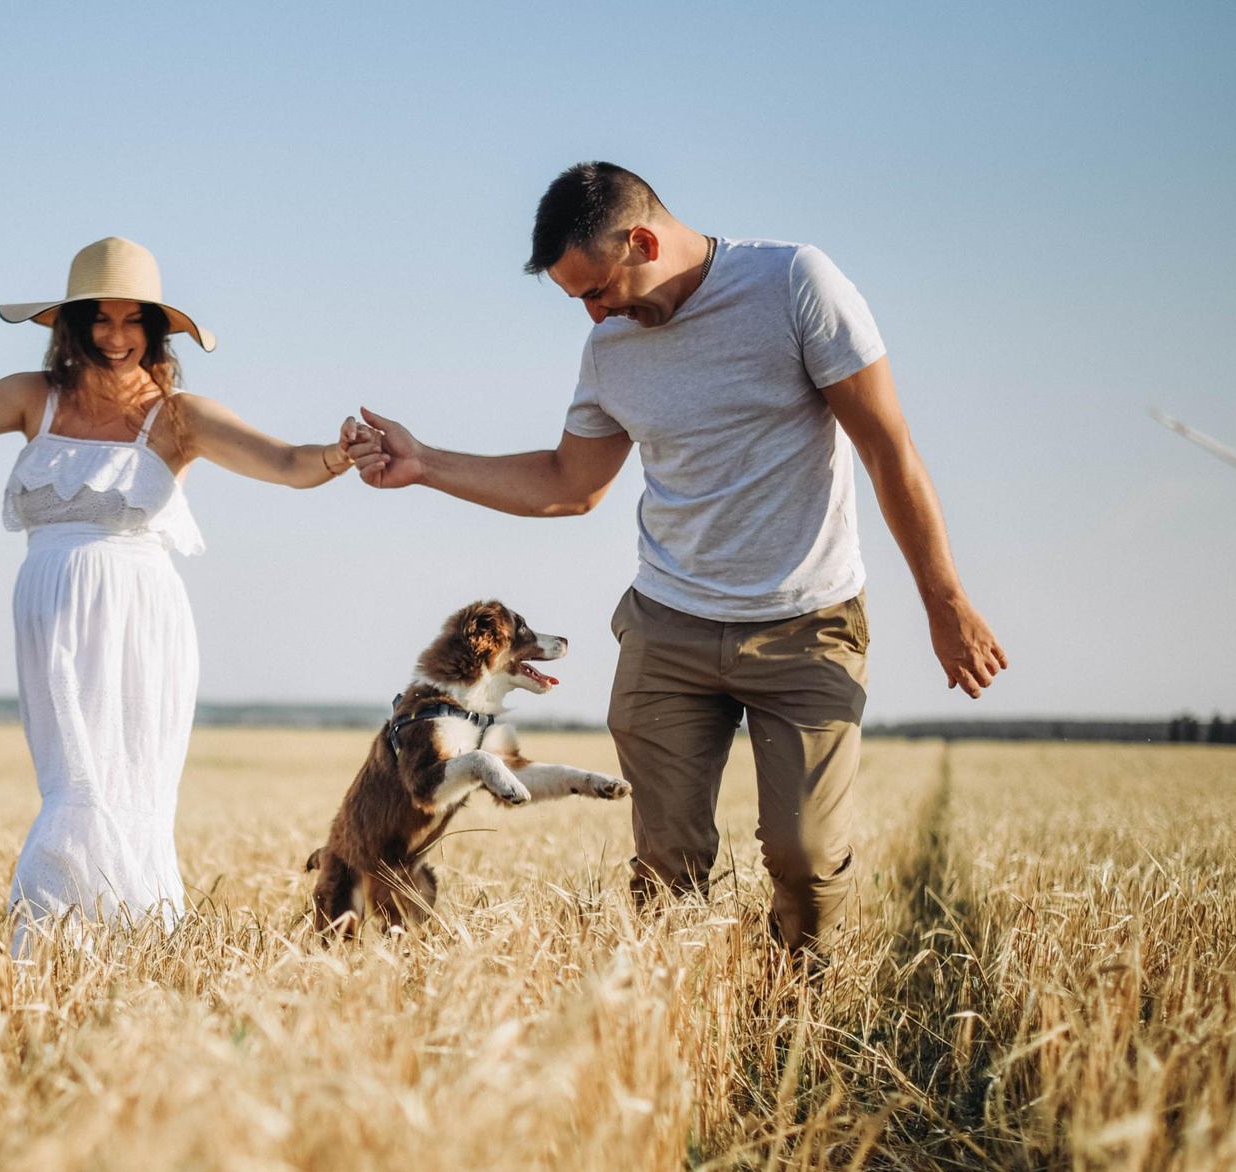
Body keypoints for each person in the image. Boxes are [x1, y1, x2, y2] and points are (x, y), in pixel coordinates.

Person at [345, 163, 1007, 951]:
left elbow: (887, 449)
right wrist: (426, 463)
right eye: (580, 302)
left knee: (805, 859)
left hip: (805, 625)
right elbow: (570, 482)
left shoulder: (798, 285)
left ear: (643, 240)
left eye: (597, 291)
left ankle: (795, 1025)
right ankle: (673, 1028)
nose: (594, 315)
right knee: (666, 864)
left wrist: (946, 600)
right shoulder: (610, 348)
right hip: (670, 627)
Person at [0, 236, 355, 952]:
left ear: (156, 332)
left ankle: (107, 945)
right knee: (73, 780)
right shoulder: (36, 398)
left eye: (133, 322)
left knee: (127, 789)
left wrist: (342, 454)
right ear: (74, 325)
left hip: (140, 624)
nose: (116, 337)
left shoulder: (179, 416)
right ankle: (73, 944)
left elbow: (285, 461)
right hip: (50, 625)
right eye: (101, 319)